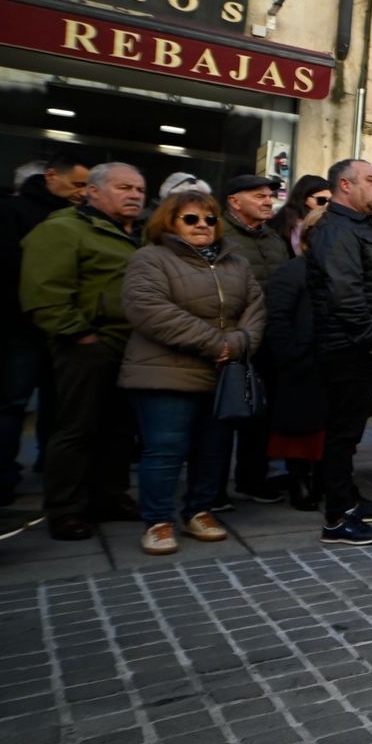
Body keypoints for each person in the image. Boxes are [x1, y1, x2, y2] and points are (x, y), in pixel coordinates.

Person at [118, 191, 266, 554]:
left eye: (209, 219)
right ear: (170, 221)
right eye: (191, 218)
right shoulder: (150, 259)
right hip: (165, 371)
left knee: (213, 448)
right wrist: (219, 344)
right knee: (165, 448)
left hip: (221, 374)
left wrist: (240, 342)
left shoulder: (236, 263)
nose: (203, 225)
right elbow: (150, 310)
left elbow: (256, 306)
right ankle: (158, 520)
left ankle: (199, 510)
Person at [20, 162, 147, 540]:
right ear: (92, 191)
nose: (135, 195)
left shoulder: (135, 235)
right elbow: (44, 293)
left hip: (132, 348)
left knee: (119, 429)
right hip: (87, 346)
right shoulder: (62, 230)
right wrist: (80, 336)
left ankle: (109, 495)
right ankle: (65, 508)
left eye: (139, 189)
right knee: (77, 429)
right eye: (124, 187)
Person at [0, 151, 90, 506]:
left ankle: (52, 469)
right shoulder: (12, 211)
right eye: (78, 184)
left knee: (60, 406)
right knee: (9, 404)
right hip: (20, 328)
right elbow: (4, 269)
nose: (83, 192)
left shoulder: (81, 217)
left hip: (65, 330)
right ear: (51, 176)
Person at [306, 158, 372, 546]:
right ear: (345, 186)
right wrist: (371, 341)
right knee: (342, 432)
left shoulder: (358, 226)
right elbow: (343, 291)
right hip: (350, 348)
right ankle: (336, 518)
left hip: (363, 347)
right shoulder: (335, 228)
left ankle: (346, 499)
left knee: (349, 433)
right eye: (370, 179)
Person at [219, 175, 292, 504]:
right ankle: (211, 490)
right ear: (235, 201)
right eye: (258, 196)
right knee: (222, 416)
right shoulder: (218, 234)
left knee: (260, 415)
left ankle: (252, 478)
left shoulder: (274, 238)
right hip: (229, 339)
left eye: (270, 196)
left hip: (269, 338)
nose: (268, 201)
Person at [263, 207, 329, 512]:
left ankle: (323, 480)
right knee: (301, 431)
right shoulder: (293, 271)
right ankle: (300, 480)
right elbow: (278, 319)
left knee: (330, 429)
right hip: (302, 362)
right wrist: (294, 355)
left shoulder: (344, 270)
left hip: (333, 362)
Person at [280, 175, 331, 253]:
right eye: (321, 200)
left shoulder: (328, 219)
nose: (326, 204)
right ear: (304, 198)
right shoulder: (285, 223)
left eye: (330, 200)